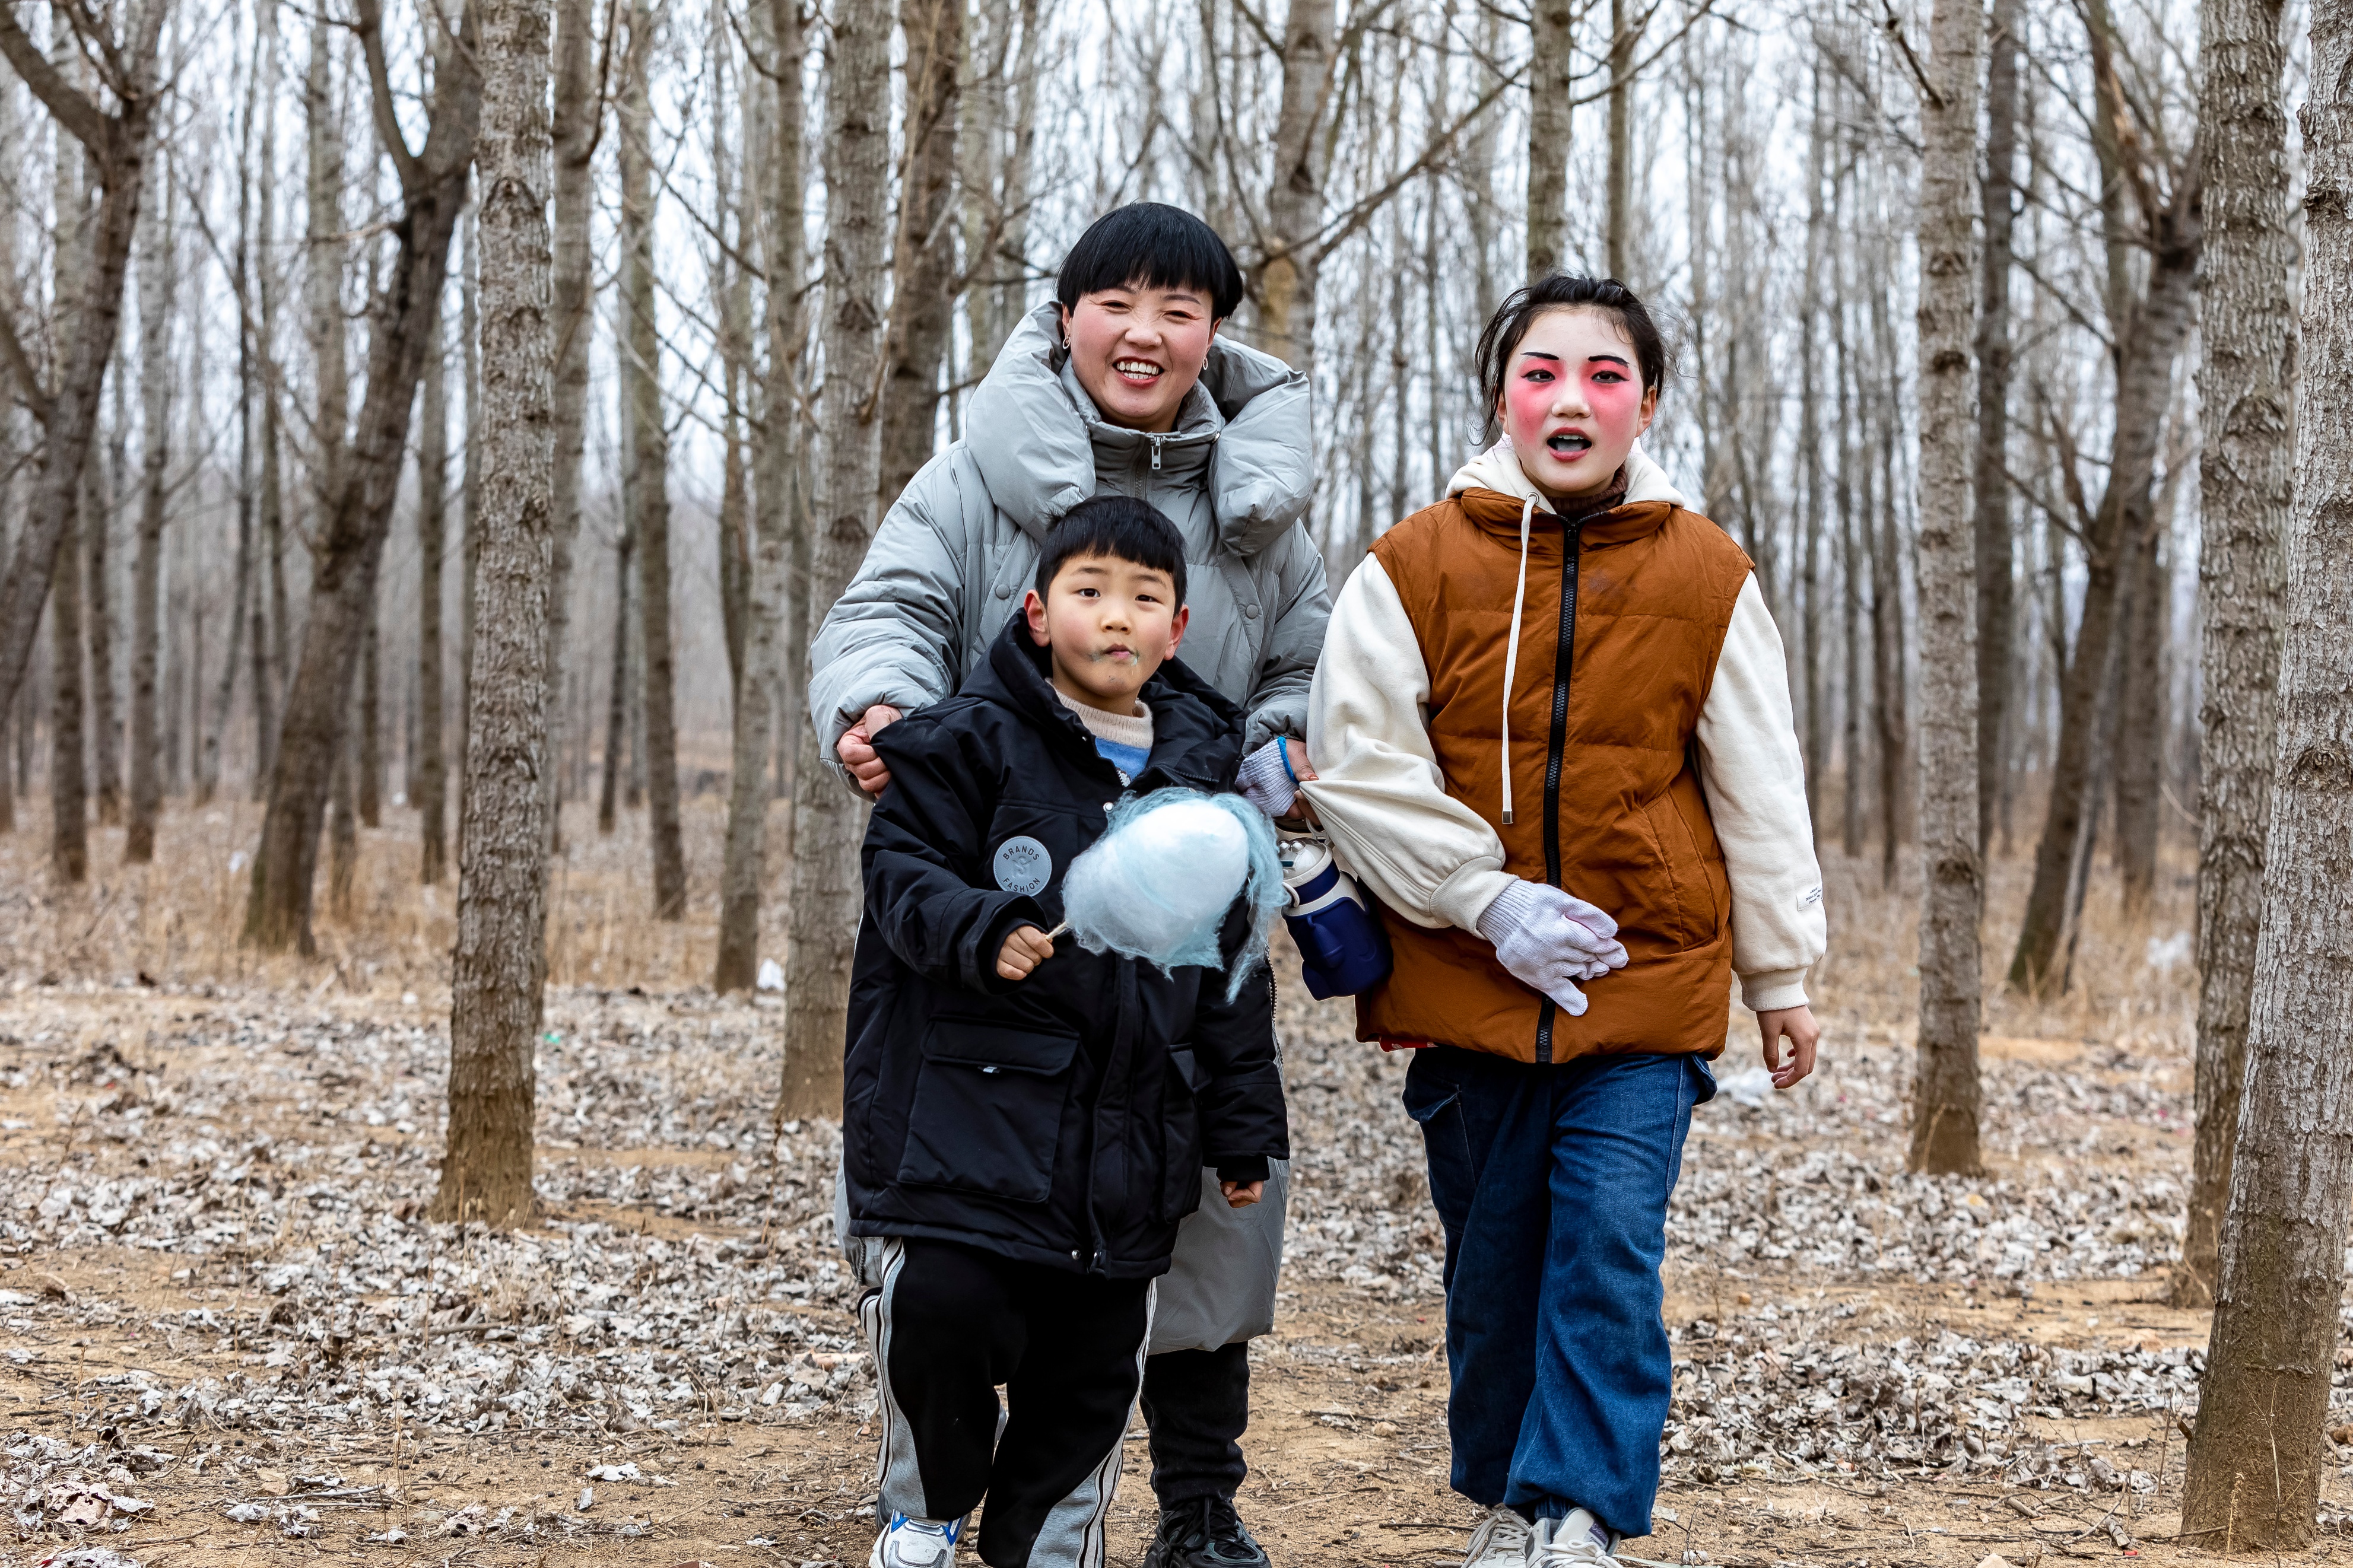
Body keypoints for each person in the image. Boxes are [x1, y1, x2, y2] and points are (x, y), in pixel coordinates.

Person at [811, 201, 1328, 1568]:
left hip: (1174, 934)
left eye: (1179, 310)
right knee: (958, 1246)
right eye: (1117, 304)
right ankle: (931, 1504)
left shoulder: (1264, 510)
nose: (1145, 334)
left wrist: (1278, 752)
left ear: (1215, 335)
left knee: (1191, 1225)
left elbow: (1304, 664)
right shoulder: (975, 477)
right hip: (997, 931)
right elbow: (889, 610)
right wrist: (879, 704)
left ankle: (1192, 1504)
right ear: (1066, 320)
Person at [1297, 276, 1828, 1568]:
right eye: (1541, 372)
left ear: (1646, 402)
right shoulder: (1412, 564)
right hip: (1461, 978)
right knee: (1494, 1266)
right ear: (1503, 399)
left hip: (1643, 979)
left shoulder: (1709, 572)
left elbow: (1759, 783)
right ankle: (1507, 1500)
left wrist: (1780, 973)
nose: (1571, 398)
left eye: (1605, 374)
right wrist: (1483, 897)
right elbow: (1356, 767)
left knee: (1604, 1245)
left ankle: (1580, 1507)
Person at [844, 497, 1291, 1568]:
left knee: (1091, 1370)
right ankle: (926, 1508)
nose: (1117, 616)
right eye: (1090, 591)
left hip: (1128, 1149)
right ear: (1039, 614)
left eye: (1145, 598)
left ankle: (1046, 1548)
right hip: (969, 1124)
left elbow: (1232, 977)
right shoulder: (964, 742)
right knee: (943, 1311)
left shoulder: (1201, 775)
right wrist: (979, 926)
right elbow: (900, 872)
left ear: (1177, 630)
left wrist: (1242, 1133)